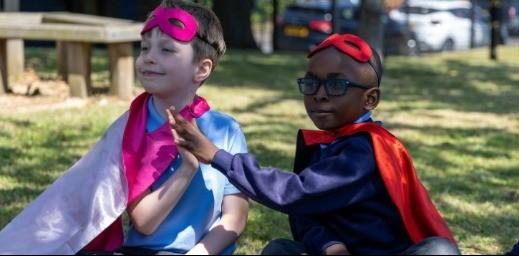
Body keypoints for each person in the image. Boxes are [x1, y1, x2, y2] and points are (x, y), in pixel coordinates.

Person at [0, 1, 249, 254]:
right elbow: (143, 222)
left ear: (201, 69)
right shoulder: (130, 129)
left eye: (166, 49)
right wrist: (187, 169)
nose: (149, 58)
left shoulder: (226, 131)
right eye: (144, 48)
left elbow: (234, 216)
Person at [169, 33, 459, 255]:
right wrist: (328, 243)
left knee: (439, 251)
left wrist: (217, 156)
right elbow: (304, 213)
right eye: (311, 83)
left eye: (336, 85)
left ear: (370, 99)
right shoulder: (323, 143)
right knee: (279, 250)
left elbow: (295, 194)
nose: (319, 95)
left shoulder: (368, 149)